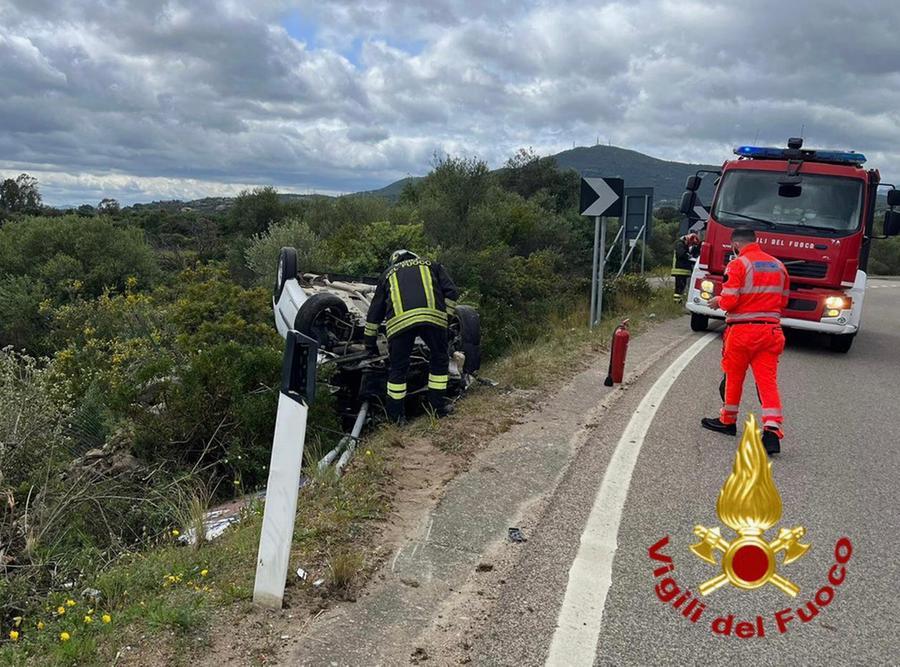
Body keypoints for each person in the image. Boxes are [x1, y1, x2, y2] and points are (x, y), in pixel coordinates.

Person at [701, 228, 790, 455]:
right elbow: (784, 300)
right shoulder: (778, 266)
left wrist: (718, 300)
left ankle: (728, 421)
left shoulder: (738, 264)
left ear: (736, 245)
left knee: (734, 376)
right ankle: (771, 431)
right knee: (767, 382)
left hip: (742, 332)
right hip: (771, 332)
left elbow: (730, 301)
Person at [364, 250, 459, 423]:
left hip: (399, 325)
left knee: (398, 369)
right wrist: (447, 319)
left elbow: (374, 314)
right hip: (432, 319)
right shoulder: (432, 265)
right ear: (415, 257)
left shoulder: (387, 274)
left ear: (394, 262)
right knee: (439, 360)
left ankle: (396, 418)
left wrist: (370, 345)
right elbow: (451, 293)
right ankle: (437, 408)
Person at [671, 233, 700, 303]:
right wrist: (690, 257)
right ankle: (676, 302)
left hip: (684, 270)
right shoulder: (679, 244)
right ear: (687, 240)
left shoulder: (685, 245)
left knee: (682, 287)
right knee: (679, 288)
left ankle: (679, 301)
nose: (691, 245)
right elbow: (681, 254)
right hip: (679, 270)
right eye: (691, 243)